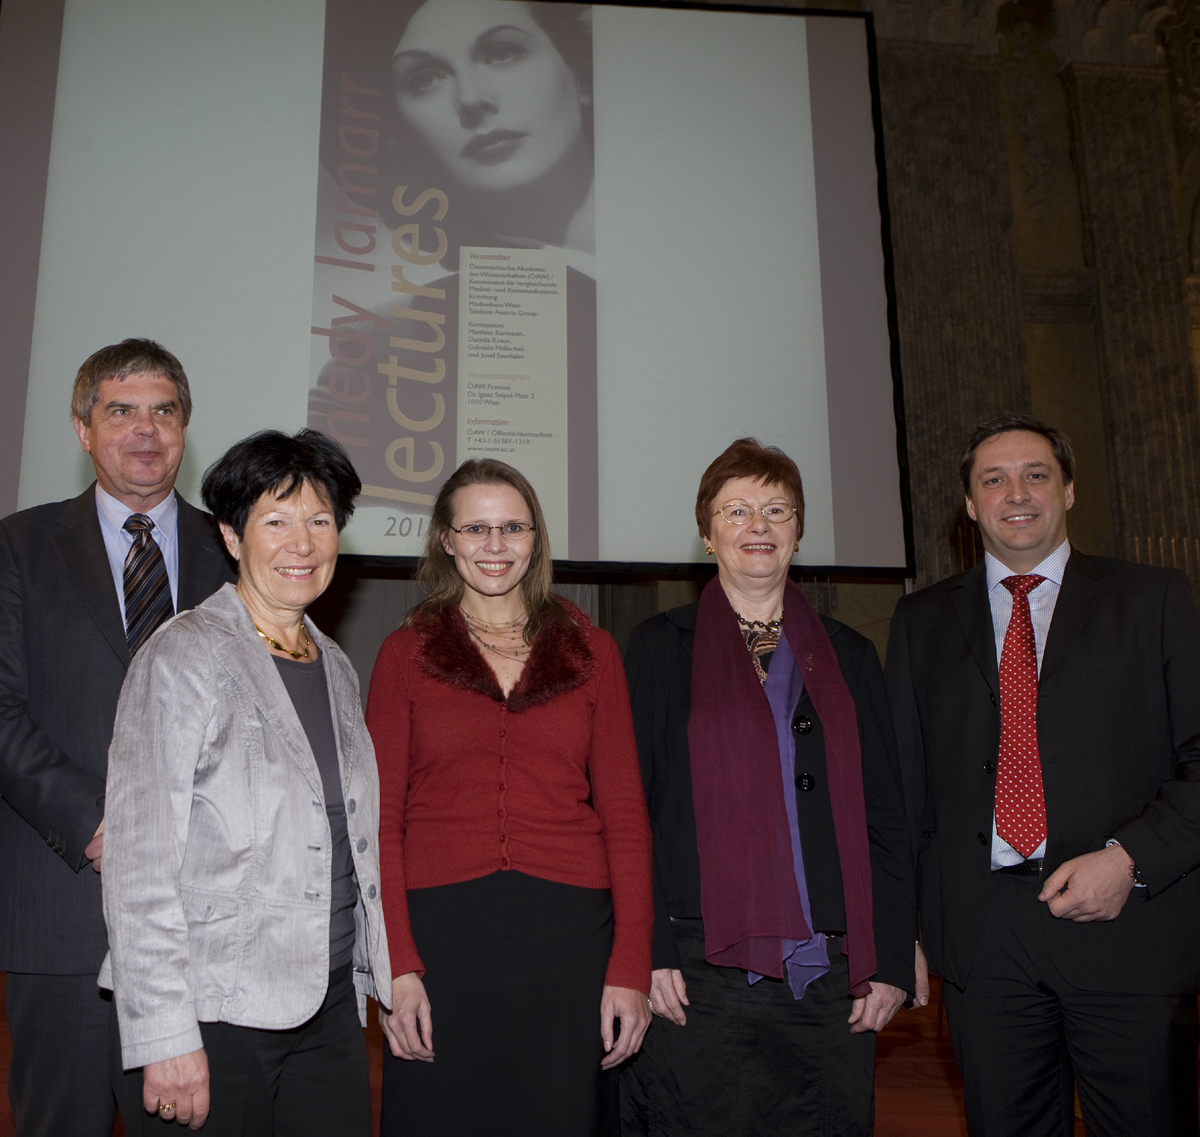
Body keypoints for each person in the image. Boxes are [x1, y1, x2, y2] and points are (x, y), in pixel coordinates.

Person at [886, 414, 1200, 1136]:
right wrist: (901, 926)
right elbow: (904, 790)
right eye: (993, 480)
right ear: (970, 505)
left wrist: (1129, 859)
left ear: (1068, 490)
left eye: (1036, 475)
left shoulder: (1151, 598)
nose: (1017, 493)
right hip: (983, 939)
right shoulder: (920, 621)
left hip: (1129, 926)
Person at [619, 438, 916, 1136]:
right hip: (695, 965)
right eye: (737, 510)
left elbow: (886, 816)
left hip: (830, 969)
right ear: (707, 532)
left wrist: (892, 958)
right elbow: (631, 811)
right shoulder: (658, 646)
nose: (759, 524)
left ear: (798, 530)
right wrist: (646, 951)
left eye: (777, 509)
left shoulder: (849, 653)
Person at [99, 429, 392, 1134]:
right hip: (213, 1011)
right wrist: (166, 1035)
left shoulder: (336, 666)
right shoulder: (184, 656)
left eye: (320, 520)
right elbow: (139, 863)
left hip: (326, 1005)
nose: (303, 543)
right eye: (277, 521)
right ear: (232, 537)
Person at [366, 457, 652, 1137]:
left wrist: (631, 966)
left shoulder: (593, 652)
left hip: (570, 940)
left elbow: (625, 816)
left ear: (535, 537)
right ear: (446, 539)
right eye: (476, 528)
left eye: (513, 528)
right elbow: (377, 821)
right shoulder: (405, 653)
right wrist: (395, 964)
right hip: (441, 938)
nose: (495, 545)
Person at [0, 339, 234, 1136]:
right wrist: (102, 825)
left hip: (205, 916)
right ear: (83, 429)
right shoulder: (18, 545)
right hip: (65, 910)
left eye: (163, 411)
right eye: (121, 410)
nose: (145, 429)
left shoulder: (235, 551)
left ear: (184, 428)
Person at [309, 0, 599, 556]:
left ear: (578, 71)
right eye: (425, 78)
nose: (471, 99)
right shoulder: (382, 350)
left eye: (503, 52)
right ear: (402, 129)